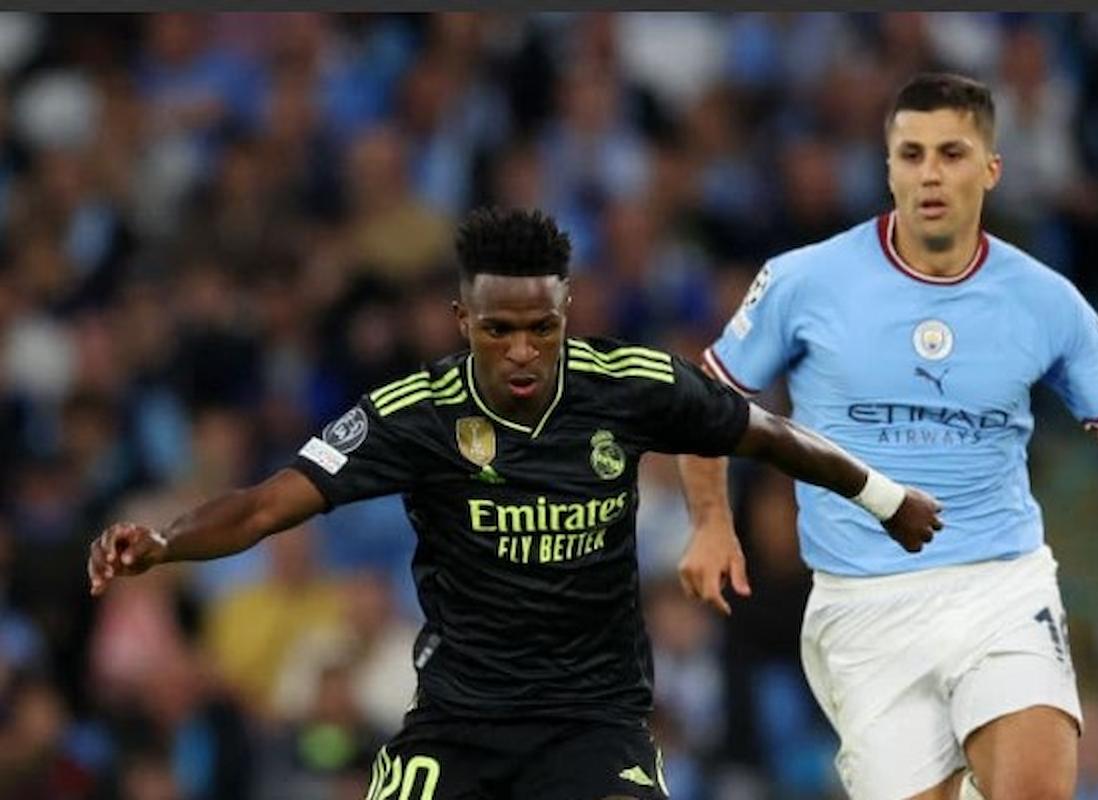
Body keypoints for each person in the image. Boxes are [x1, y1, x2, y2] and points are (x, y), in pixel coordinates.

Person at [87, 206, 942, 800]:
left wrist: (882, 495)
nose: (523, 351)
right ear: (463, 320)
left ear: (567, 310)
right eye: (499, 330)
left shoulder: (629, 385)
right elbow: (263, 507)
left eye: (543, 327)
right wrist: (164, 540)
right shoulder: (415, 413)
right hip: (460, 720)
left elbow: (767, 435)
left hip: (594, 721)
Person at [677, 73, 1098, 800]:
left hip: (1000, 587)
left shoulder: (1045, 301)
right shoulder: (804, 282)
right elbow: (704, 407)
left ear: (990, 168)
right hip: (862, 606)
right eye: (912, 154)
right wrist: (710, 521)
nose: (929, 173)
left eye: (951, 153)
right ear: (888, 168)